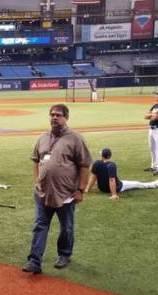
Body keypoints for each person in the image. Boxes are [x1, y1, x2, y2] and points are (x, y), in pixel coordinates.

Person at [22, 104, 92, 274]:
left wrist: (81, 190)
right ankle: (34, 260)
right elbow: (35, 160)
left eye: (58, 115)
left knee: (66, 226)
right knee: (40, 225)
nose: (54, 117)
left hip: (66, 194)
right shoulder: (43, 138)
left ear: (66, 118)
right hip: (43, 192)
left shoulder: (76, 139)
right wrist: (37, 181)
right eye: (52, 114)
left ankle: (65, 254)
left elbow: (84, 165)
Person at [86, 147, 158, 199]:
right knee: (137, 184)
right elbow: (112, 180)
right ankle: (155, 184)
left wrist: (87, 189)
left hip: (102, 189)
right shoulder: (111, 165)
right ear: (110, 156)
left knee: (104, 177)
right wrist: (114, 194)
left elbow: (93, 177)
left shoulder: (96, 163)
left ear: (102, 155)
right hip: (118, 187)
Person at [144, 92, 158, 174]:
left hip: (157, 130)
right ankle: (154, 166)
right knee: (152, 148)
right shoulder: (155, 106)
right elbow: (146, 116)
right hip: (151, 130)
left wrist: (152, 115)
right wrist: (152, 115)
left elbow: (155, 117)